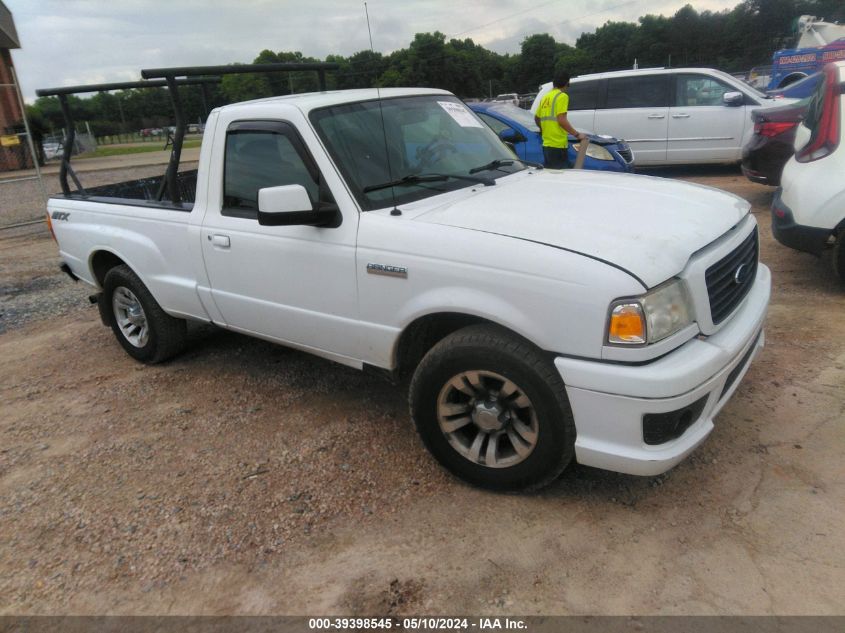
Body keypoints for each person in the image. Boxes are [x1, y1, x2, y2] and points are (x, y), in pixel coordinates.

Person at [534, 70, 586, 169]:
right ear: (567, 83)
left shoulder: (545, 97)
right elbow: (561, 120)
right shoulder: (562, 96)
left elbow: (537, 118)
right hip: (558, 145)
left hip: (546, 145)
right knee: (561, 175)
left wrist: (542, 129)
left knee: (551, 174)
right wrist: (577, 135)